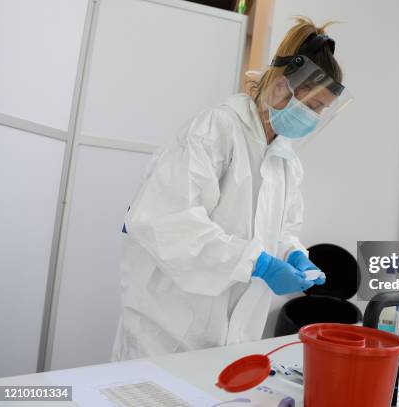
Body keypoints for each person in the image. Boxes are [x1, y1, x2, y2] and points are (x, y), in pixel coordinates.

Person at [111, 16, 352, 361]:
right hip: (167, 332)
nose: (313, 118)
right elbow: (167, 221)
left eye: (321, 111)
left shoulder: (285, 159)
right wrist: (258, 264)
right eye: (312, 106)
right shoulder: (217, 129)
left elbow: (281, 231)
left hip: (230, 340)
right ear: (283, 87)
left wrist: (292, 254)